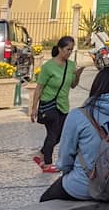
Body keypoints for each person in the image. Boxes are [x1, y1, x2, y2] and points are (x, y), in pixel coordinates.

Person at [40, 66, 109, 202]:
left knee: (45, 200)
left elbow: (65, 160)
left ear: (96, 86)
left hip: (84, 185)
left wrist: (69, 172)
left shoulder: (78, 115)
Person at [29, 36, 87, 174]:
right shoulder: (48, 67)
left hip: (63, 104)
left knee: (60, 135)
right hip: (49, 104)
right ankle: (47, 163)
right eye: (67, 49)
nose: (69, 52)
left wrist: (77, 75)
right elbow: (39, 88)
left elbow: (72, 85)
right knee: (53, 133)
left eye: (71, 50)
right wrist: (34, 108)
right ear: (60, 48)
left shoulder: (71, 65)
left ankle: (41, 153)